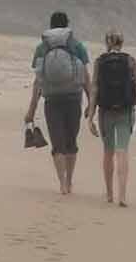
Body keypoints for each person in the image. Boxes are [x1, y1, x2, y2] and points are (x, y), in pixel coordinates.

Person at [86, 29, 136, 207]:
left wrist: (91, 116)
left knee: (108, 152)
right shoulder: (131, 61)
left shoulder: (99, 61)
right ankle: (122, 195)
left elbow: (94, 89)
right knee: (122, 151)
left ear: (107, 43)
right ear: (121, 43)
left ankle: (109, 194)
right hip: (125, 111)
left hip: (105, 111)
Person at [24, 11, 91, 195]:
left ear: (51, 26)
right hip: (73, 97)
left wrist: (31, 109)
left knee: (57, 142)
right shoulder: (77, 45)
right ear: (67, 25)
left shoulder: (42, 47)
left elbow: (38, 80)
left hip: (52, 99)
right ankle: (70, 181)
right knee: (71, 141)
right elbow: (85, 76)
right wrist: (91, 102)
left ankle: (61, 183)